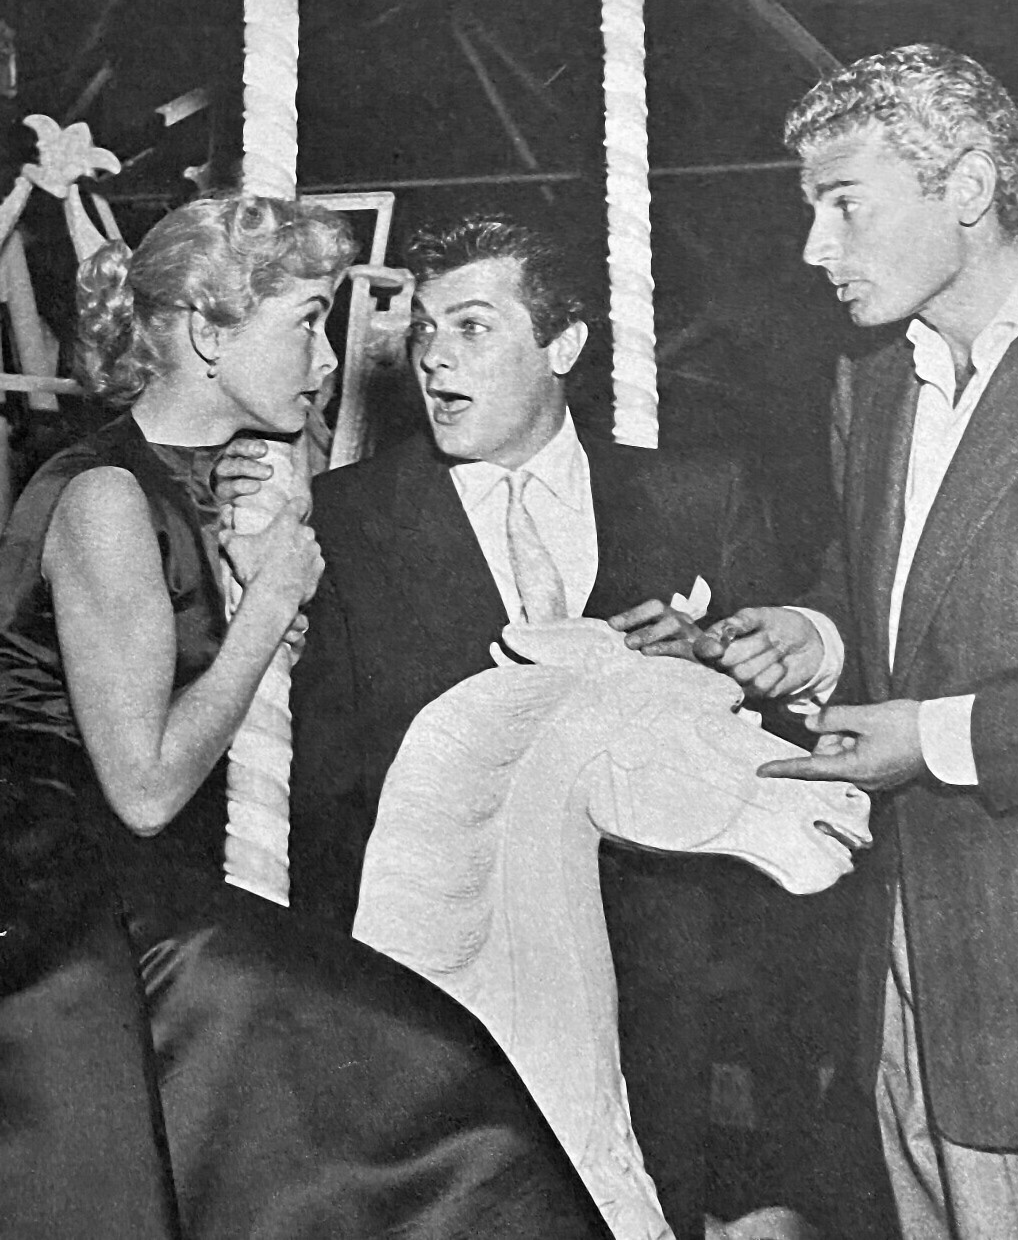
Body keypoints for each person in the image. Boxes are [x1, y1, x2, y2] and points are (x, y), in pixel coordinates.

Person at [0, 193, 614, 1240]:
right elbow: (145, 789)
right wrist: (270, 604)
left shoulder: (192, 487)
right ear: (209, 335)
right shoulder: (104, 496)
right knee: (431, 1075)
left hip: (121, 871)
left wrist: (259, 586)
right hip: (58, 884)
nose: (329, 361)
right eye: (306, 323)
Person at [221, 212, 790, 1239]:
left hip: (657, 993)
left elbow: (787, 730)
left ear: (561, 343)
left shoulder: (696, 498)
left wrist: (709, 672)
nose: (434, 357)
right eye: (426, 330)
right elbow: (313, 783)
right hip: (436, 995)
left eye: (473, 327)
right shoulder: (339, 519)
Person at [699, 43, 1018, 1240]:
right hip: (905, 995)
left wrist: (932, 739)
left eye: (844, 205)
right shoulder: (874, 380)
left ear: (967, 186)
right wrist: (814, 635)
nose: (813, 248)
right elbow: (893, 596)